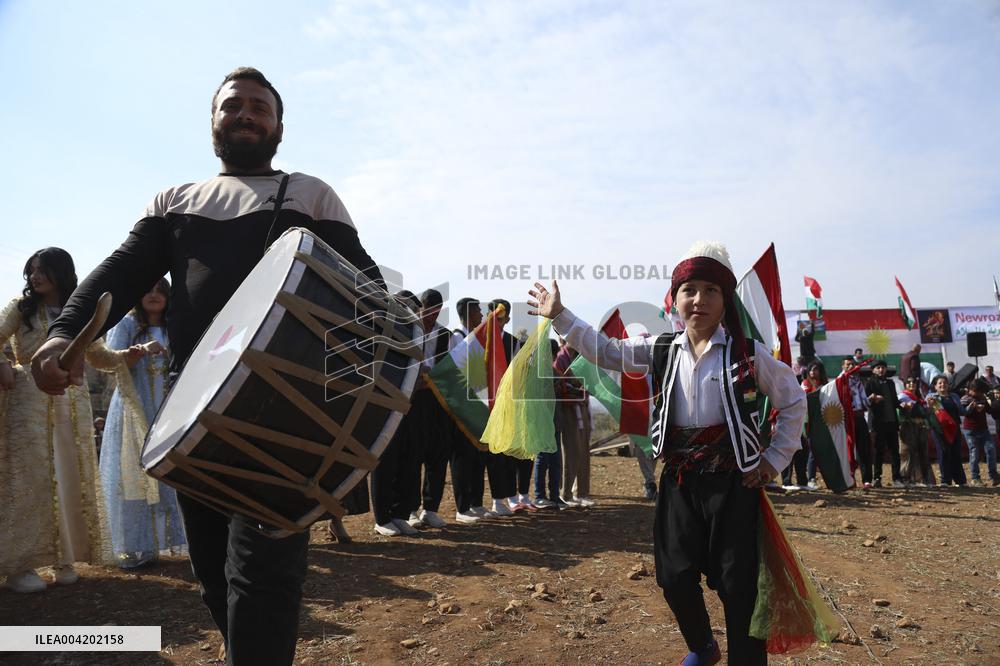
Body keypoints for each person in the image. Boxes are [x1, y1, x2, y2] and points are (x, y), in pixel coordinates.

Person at [31, 68, 383, 665]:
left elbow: (362, 285)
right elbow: (121, 273)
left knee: (263, 569)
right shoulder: (175, 202)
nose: (246, 114)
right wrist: (63, 333)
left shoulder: (310, 194)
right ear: (213, 121)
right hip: (190, 409)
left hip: (285, 411)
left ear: (279, 126)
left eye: (260, 108)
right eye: (232, 105)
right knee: (213, 569)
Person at [528, 241, 807, 664]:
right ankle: (703, 647)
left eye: (711, 291)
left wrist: (773, 460)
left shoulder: (748, 354)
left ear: (725, 300)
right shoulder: (661, 349)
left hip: (734, 483)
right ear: (674, 299)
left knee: (739, 587)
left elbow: (794, 401)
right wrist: (561, 316)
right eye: (689, 290)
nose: (699, 300)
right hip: (679, 480)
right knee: (673, 576)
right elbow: (607, 351)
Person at [1, 248, 118, 593]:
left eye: (42, 270)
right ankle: (19, 566)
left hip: (72, 403)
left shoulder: (78, 312)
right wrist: (3, 363)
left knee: (70, 473)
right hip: (28, 402)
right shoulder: (21, 309)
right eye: (31, 271)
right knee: (30, 476)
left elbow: (98, 356)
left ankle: (64, 557)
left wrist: (129, 355)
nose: (35, 277)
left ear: (61, 272)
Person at [99, 278, 186, 568]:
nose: (154, 295)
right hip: (134, 410)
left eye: (160, 290)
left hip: (169, 411)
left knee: (169, 472)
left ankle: (173, 541)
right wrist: (138, 351)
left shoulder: (176, 325)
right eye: (147, 289)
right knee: (133, 476)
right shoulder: (127, 324)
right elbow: (109, 362)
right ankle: (136, 546)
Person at [411, 288, 459, 528]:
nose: (431, 316)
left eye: (436, 311)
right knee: (413, 454)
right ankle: (409, 508)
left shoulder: (446, 336)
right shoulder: (410, 331)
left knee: (438, 453)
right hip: (413, 400)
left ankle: (430, 508)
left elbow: (452, 368)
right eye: (428, 310)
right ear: (420, 308)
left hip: (437, 401)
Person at [449, 297, 487, 523]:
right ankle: (462, 508)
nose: (481, 315)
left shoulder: (476, 339)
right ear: (468, 313)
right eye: (478, 311)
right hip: (463, 406)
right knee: (462, 457)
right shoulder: (457, 338)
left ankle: (476, 502)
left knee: (476, 456)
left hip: (478, 403)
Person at [553, 341, 594, 507]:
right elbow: (560, 384)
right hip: (568, 409)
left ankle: (581, 492)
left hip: (582, 406)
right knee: (572, 450)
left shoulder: (581, 357)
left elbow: (588, 381)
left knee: (583, 450)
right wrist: (576, 389)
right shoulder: (560, 358)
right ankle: (567, 493)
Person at [866, 360, 901, 487]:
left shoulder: (890, 383)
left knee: (895, 451)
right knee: (878, 451)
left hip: (892, 421)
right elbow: (866, 402)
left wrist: (903, 405)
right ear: (873, 370)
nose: (881, 370)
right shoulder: (870, 383)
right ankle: (877, 478)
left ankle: (897, 478)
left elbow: (895, 401)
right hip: (878, 423)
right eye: (878, 368)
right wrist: (872, 399)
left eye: (883, 367)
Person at [926, 375, 967, 487]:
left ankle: (960, 480)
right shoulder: (931, 396)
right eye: (940, 383)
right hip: (939, 429)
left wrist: (971, 408)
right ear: (935, 386)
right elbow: (927, 411)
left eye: (945, 383)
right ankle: (945, 480)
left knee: (956, 452)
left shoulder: (954, 396)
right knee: (944, 453)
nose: (942, 385)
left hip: (954, 427)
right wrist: (930, 405)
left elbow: (962, 411)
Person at [961, 379, 998, 486]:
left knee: (991, 449)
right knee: (974, 453)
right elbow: (963, 412)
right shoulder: (965, 398)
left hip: (983, 429)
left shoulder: (982, 397)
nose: (979, 394)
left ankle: (994, 475)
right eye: (977, 391)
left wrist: (991, 401)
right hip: (970, 430)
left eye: (981, 392)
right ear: (972, 389)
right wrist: (972, 407)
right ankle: (975, 478)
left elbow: (990, 411)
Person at [897, 376, 932, 486]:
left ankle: (923, 480)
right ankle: (906, 479)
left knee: (923, 453)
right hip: (908, 427)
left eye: (914, 382)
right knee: (907, 453)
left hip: (921, 427)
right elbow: (901, 410)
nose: (912, 384)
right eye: (909, 382)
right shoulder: (901, 397)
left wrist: (930, 407)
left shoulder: (919, 398)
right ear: (905, 385)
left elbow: (925, 414)